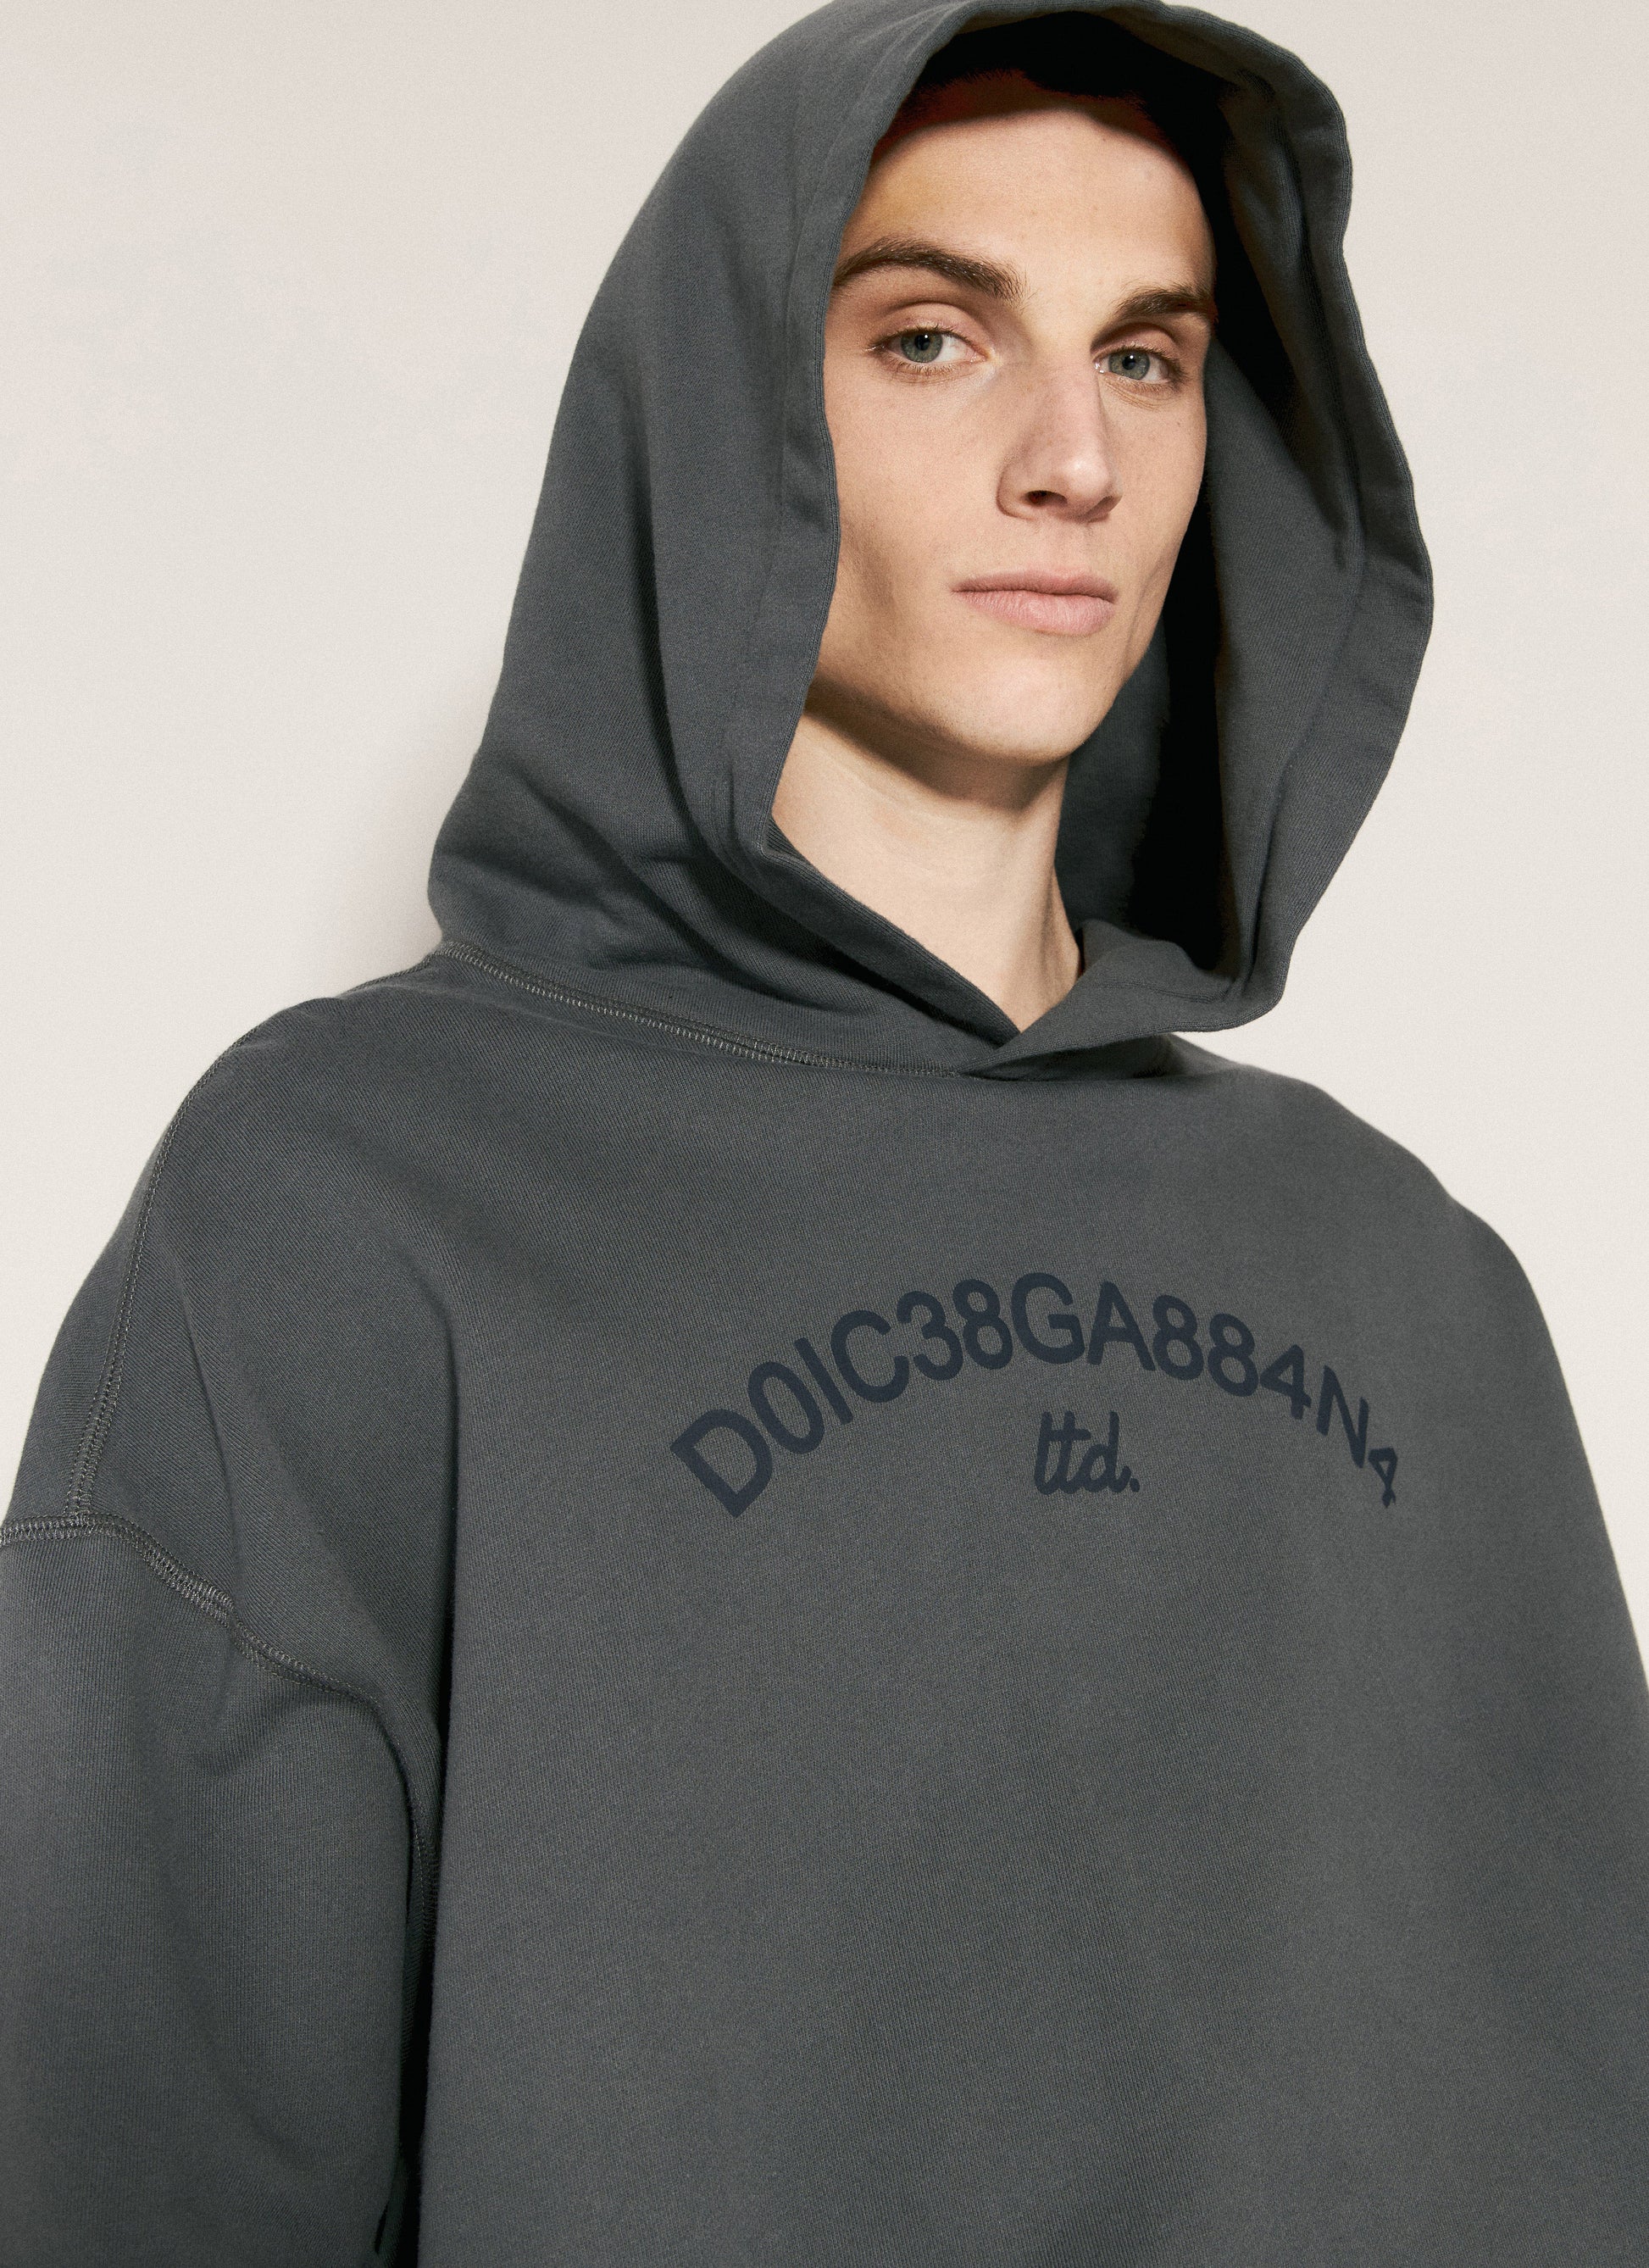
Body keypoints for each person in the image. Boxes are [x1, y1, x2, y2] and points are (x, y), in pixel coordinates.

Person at [3, 2, 1646, 2260]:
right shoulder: (355, 1199)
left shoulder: (1402, 1278)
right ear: (722, 415)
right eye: (933, 338)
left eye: (1147, 356)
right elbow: (132, 2159)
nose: (1072, 454)